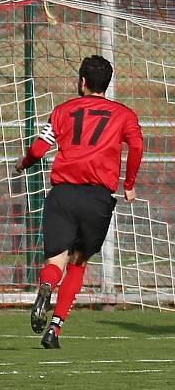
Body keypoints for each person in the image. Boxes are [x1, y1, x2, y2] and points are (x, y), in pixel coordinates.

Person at [14, 55, 143, 349]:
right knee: (79, 261)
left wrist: (23, 164)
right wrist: (129, 184)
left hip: (62, 194)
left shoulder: (62, 111)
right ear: (107, 85)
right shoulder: (124, 114)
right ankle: (55, 330)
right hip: (97, 198)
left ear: (82, 82)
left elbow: (38, 148)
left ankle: (46, 285)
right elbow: (136, 147)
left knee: (55, 261)